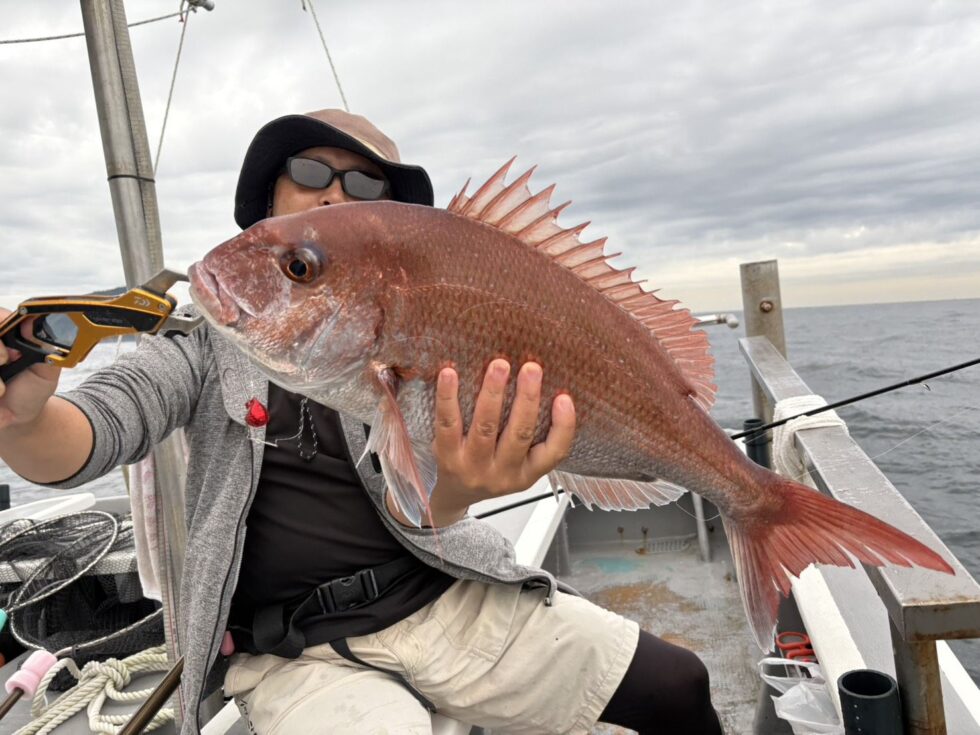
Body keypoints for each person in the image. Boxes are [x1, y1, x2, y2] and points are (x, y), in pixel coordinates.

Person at [0, 109, 723, 735]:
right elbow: (102, 421)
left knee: (680, 685)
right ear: (269, 200)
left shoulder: (421, 329)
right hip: (296, 650)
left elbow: (430, 510)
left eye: (368, 184)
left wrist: (465, 489)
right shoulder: (198, 347)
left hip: (442, 593)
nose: (337, 191)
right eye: (311, 170)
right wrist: (22, 418)